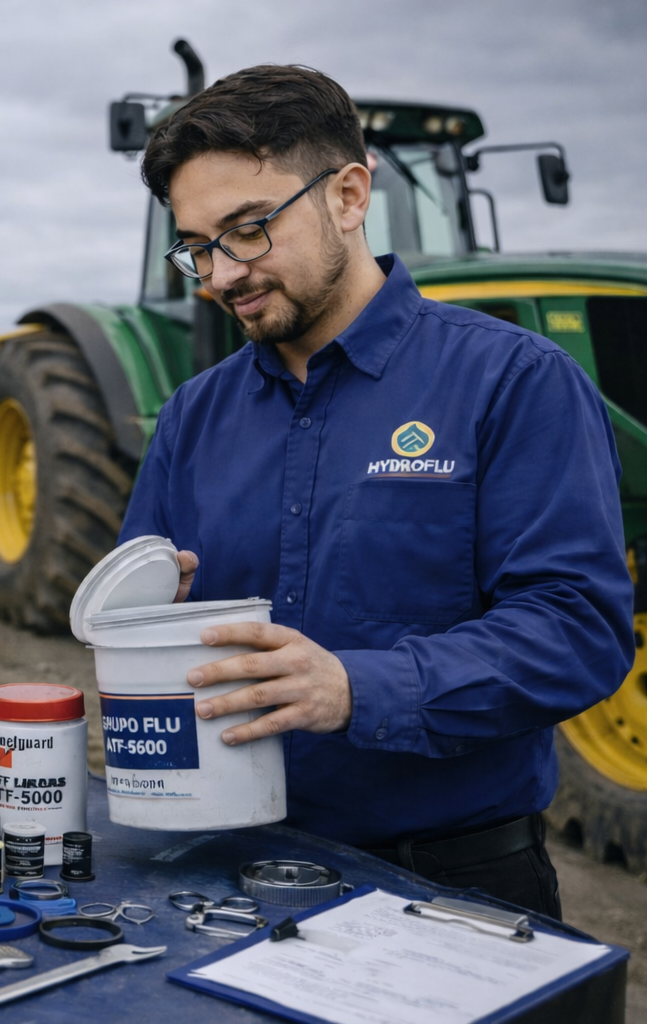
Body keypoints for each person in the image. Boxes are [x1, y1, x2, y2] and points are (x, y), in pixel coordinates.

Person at [117, 63, 633, 917]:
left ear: (349, 196)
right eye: (198, 247)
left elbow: (577, 629)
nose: (220, 275)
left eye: (248, 230)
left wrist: (358, 689)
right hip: (226, 872)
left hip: (453, 883)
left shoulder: (514, 382)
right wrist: (142, 622)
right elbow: (137, 632)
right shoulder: (190, 418)